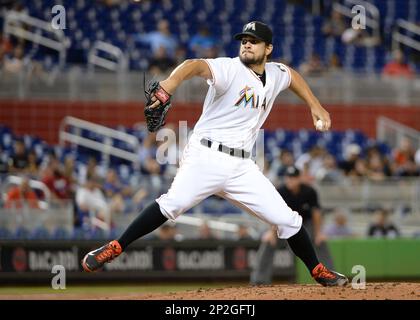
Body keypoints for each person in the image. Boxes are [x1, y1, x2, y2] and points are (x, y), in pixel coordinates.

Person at [82, 21, 348, 287]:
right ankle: (115, 247)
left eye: (253, 40)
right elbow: (194, 65)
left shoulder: (275, 73)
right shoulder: (229, 68)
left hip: (242, 165)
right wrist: (170, 84)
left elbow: (291, 75)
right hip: (205, 156)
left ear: (268, 49)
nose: (246, 43)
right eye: (243, 39)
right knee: (172, 204)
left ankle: (318, 271)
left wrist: (315, 105)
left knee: (287, 220)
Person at [250, 166, 335, 285]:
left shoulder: (309, 191)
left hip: (305, 225)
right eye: (288, 177)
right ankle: (259, 280)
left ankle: (329, 276)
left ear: (299, 178)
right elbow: (273, 212)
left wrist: (319, 233)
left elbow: (316, 213)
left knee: (320, 242)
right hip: (282, 225)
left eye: (293, 177)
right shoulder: (280, 191)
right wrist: (271, 233)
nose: (290, 180)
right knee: (268, 242)